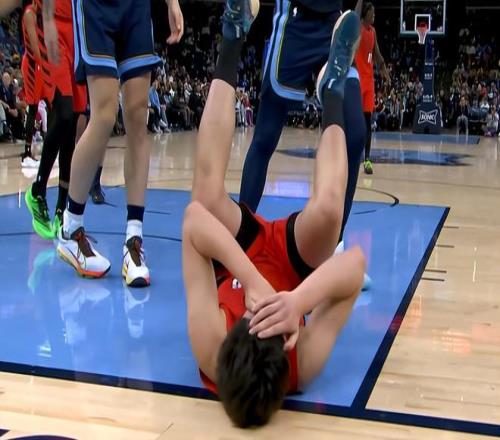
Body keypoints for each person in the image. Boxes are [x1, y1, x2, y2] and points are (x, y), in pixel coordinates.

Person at [183, 2, 365, 428]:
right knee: (329, 211)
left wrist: (252, 281)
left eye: (253, 317)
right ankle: (332, 91)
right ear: (287, 343)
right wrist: (296, 301)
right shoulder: (303, 364)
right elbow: (354, 265)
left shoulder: (210, 347)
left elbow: (193, 220)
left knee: (206, 195)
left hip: (237, 254)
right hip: (290, 264)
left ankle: (232, 38)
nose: (259, 311)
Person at [238, 0, 370, 287]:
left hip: (333, 24)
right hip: (294, 24)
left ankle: (332, 248)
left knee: (355, 134)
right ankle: (241, 242)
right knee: (265, 138)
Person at [55, 0, 184, 287]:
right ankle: (70, 228)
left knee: (138, 114)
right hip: (96, 6)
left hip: (136, 7)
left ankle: (133, 241)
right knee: (104, 113)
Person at [24, 0, 88, 240]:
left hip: (79, 36)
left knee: (72, 124)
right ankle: (38, 190)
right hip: (54, 32)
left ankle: (62, 209)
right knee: (63, 113)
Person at [354, 1, 389, 175]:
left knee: (368, 122)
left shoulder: (372, 31)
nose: (374, 15)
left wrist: (384, 69)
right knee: (354, 121)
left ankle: (367, 159)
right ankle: (349, 155)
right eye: (372, 12)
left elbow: (377, 54)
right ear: (365, 13)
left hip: (369, 82)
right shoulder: (357, 28)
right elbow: (355, 14)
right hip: (356, 80)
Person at [20, 0, 43, 168]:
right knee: (33, 107)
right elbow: (36, 49)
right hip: (32, 65)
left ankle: (52, 146)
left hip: (39, 64)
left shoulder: (39, 14)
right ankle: (27, 151)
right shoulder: (29, 14)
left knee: (50, 104)